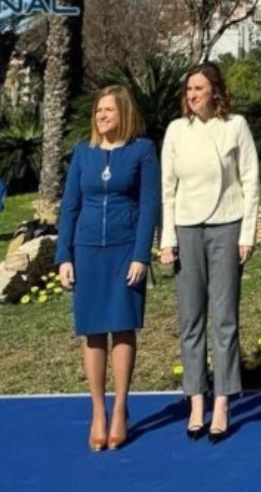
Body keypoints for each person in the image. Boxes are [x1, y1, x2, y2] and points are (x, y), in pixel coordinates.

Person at [158, 63, 260, 443]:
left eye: (199, 88)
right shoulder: (175, 131)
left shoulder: (235, 126)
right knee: (190, 320)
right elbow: (167, 189)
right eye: (188, 89)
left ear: (215, 91)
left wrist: (246, 234)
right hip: (186, 230)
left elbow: (251, 183)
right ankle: (195, 400)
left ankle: (222, 401)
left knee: (225, 319)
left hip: (227, 227)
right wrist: (167, 239)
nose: (192, 94)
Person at [55, 86, 160, 452]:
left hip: (124, 250)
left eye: (109, 111)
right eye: (99, 110)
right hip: (87, 251)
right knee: (93, 331)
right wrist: (63, 256)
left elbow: (149, 207)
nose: (102, 116)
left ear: (124, 114)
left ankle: (120, 410)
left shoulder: (142, 151)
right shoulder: (83, 153)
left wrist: (140, 255)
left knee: (122, 327)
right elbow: (69, 206)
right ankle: (98, 411)